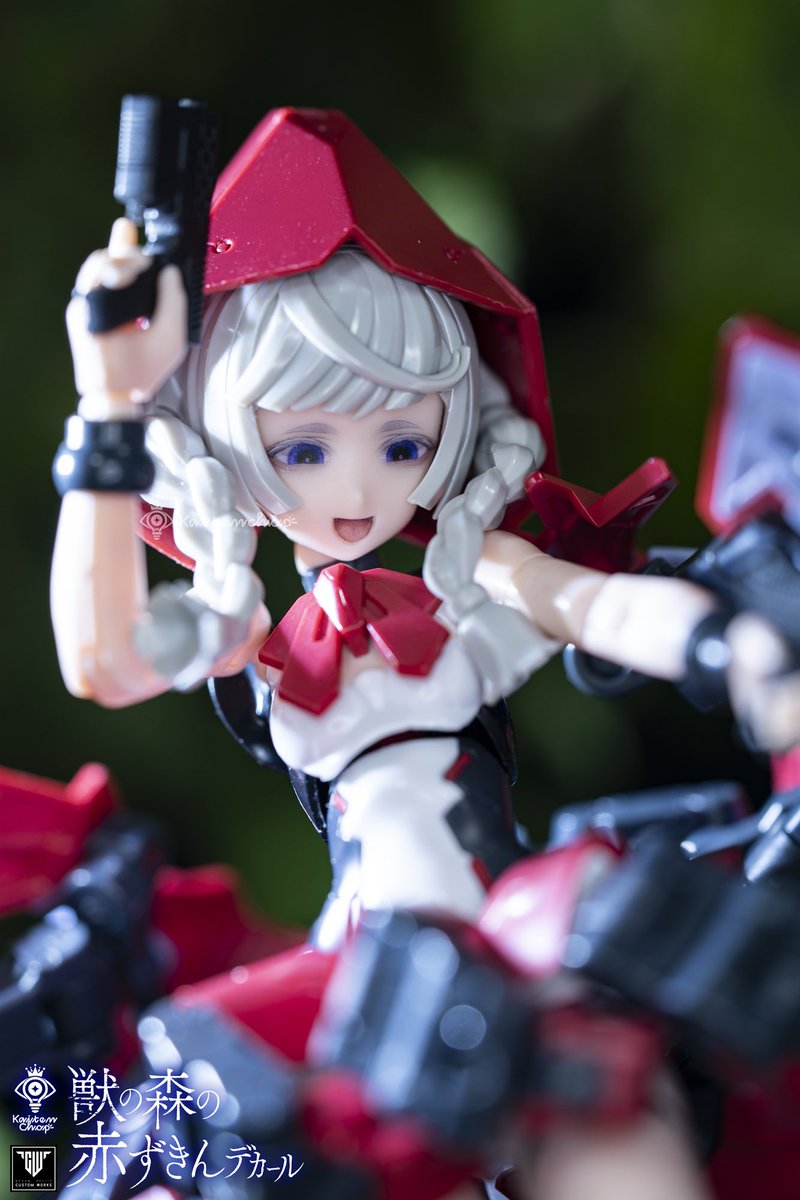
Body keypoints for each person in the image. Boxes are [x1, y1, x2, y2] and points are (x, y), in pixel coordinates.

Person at [51, 107, 798, 1200]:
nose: (357, 489)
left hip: (514, 926)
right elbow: (105, 659)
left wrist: (727, 642)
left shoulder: (473, 581)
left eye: (401, 442)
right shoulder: (254, 636)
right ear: (223, 440)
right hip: (356, 965)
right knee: (177, 1115)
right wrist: (109, 403)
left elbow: (592, 606)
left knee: (603, 1090)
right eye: (303, 448)